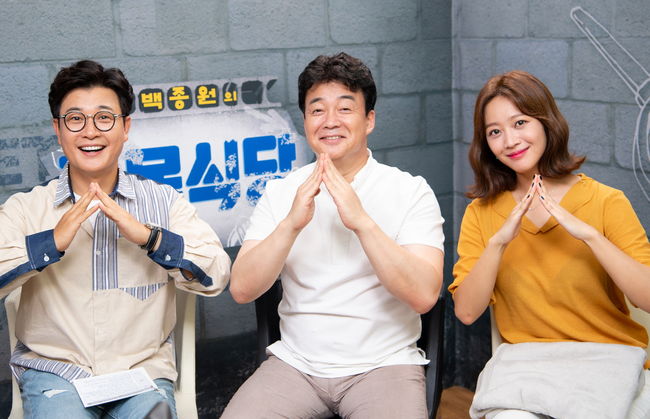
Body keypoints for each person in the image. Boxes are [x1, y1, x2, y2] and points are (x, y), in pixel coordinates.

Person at [0, 60, 231, 418]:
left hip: (140, 374)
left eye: (104, 118)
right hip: (57, 373)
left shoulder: (164, 202)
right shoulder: (26, 208)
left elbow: (217, 273)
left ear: (125, 127)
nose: (90, 131)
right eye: (75, 119)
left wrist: (150, 238)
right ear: (58, 130)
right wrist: (50, 243)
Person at [222, 52, 445, 418]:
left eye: (345, 108)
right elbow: (243, 289)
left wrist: (362, 223)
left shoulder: (410, 191)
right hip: (295, 366)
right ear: (305, 121)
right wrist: (291, 224)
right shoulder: (281, 192)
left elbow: (424, 296)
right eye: (317, 110)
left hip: (384, 366)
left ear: (369, 120)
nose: (330, 122)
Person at [449, 70, 650, 418]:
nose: (509, 141)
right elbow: (466, 312)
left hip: (609, 360)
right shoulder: (480, 214)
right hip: (527, 366)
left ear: (545, 122)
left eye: (520, 123)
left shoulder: (606, 201)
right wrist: (498, 243)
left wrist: (590, 236)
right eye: (495, 132)